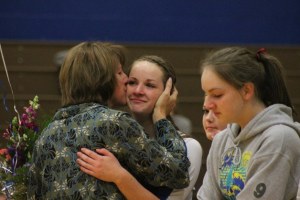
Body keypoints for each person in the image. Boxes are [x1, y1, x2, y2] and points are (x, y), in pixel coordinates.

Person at [27, 42, 190, 199]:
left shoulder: (46, 134)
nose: (126, 79)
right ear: (103, 80)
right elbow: (177, 173)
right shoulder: (114, 123)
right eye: (120, 73)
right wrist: (161, 117)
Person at [77, 55, 202, 200]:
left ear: (168, 93)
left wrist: (119, 176)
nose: (138, 90)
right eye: (132, 82)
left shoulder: (189, 146)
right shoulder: (111, 136)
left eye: (150, 85)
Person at [197, 47, 300, 199]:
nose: (207, 104)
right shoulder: (222, 139)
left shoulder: (279, 138)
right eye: (206, 94)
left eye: (217, 95)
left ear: (246, 91)